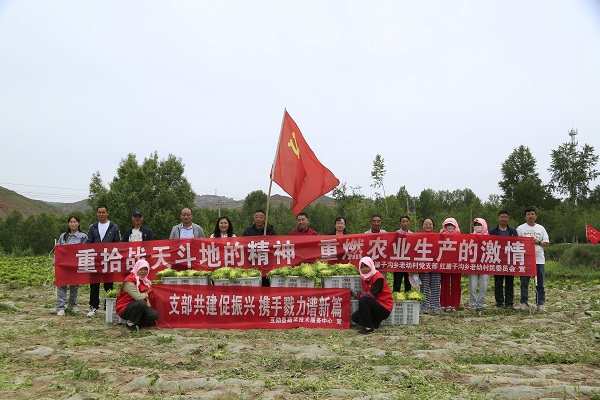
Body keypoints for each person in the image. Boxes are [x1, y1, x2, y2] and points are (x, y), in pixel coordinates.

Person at [86, 205, 121, 317]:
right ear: (97, 213)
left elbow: (118, 244)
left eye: (103, 212)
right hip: (95, 261)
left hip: (109, 261)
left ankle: (108, 307)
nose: (101, 214)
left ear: (107, 213)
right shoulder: (93, 227)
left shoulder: (114, 227)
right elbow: (88, 242)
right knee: (94, 285)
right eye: (99, 212)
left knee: (108, 285)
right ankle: (93, 307)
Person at [516, 207, 550, 312]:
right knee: (524, 282)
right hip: (525, 260)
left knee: (540, 282)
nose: (530, 216)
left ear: (536, 216)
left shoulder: (541, 228)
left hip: (539, 259)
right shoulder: (520, 229)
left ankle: (540, 303)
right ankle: (524, 302)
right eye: (528, 214)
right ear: (525, 216)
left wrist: (538, 242)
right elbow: (516, 243)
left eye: (532, 214)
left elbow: (547, 243)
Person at [350, 256, 394, 334]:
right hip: (375, 305)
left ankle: (368, 327)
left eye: (366, 266)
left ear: (371, 265)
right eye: (362, 267)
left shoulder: (378, 277)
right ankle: (375, 322)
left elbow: (372, 295)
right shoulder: (364, 278)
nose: (365, 269)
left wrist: (358, 294)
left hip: (384, 307)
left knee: (363, 299)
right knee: (355, 317)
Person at [55, 216, 88, 316]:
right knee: (62, 285)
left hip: (75, 265)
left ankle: (73, 305)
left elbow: (85, 250)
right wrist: (55, 260)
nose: (73, 224)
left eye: (75, 222)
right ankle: (61, 307)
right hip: (63, 265)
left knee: (74, 286)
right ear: (68, 224)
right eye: (71, 222)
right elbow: (58, 250)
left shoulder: (83, 236)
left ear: (78, 224)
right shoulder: (63, 236)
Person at [115, 258, 159, 331]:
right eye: (141, 269)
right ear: (136, 268)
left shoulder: (145, 281)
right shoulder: (129, 280)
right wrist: (147, 293)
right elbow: (138, 297)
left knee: (154, 314)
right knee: (141, 303)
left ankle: (136, 321)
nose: (143, 272)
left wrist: (150, 313)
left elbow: (146, 299)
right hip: (125, 308)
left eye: (145, 269)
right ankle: (130, 323)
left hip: (138, 306)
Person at [488, 210, 518, 308]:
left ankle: (509, 303)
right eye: (502, 217)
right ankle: (499, 303)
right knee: (498, 283)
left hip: (509, 260)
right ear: (498, 218)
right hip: (497, 260)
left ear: (508, 219)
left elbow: (517, 244)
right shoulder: (492, 231)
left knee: (510, 282)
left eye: (506, 217)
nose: (504, 219)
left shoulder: (513, 231)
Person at [419, 217, 441, 314]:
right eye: (426, 224)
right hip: (424, 265)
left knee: (435, 286)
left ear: (433, 226)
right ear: (422, 225)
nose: (428, 226)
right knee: (424, 286)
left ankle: (435, 306)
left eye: (430, 224)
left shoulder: (438, 236)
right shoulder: (418, 236)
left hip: (436, 265)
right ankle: (425, 306)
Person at [440, 218, 462, 312]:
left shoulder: (460, 236)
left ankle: (455, 304)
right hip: (444, 263)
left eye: (451, 225)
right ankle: (446, 304)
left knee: (456, 284)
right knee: (445, 283)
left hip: (457, 264)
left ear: (455, 226)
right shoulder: (441, 235)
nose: (449, 227)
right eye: (447, 225)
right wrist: (440, 235)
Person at [468, 217, 489, 311]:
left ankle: (480, 304)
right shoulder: (470, 236)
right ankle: (473, 304)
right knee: (472, 286)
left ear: (483, 225)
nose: (477, 227)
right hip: (473, 265)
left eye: (479, 225)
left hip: (485, 265)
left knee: (483, 286)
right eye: (475, 225)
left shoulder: (489, 237)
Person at [394, 215, 412, 292]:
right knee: (397, 284)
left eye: (406, 221)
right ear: (400, 223)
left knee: (408, 284)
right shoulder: (396, 233)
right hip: (398, 262)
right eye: (403, 222)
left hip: (408, 262)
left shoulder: (412, 234)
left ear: (409, 223)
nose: (405, 223)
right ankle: (396, 300)